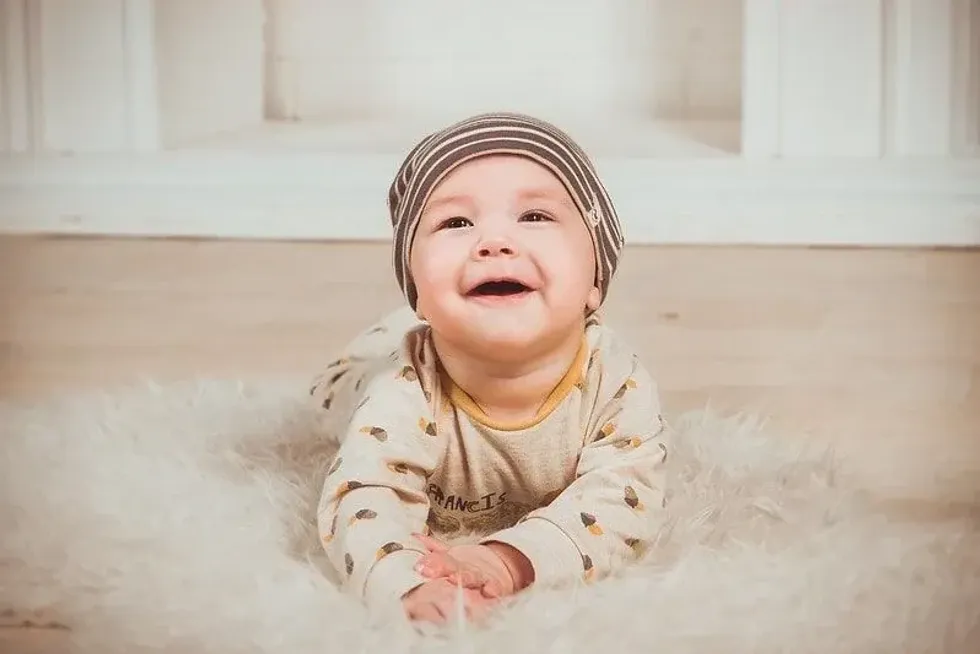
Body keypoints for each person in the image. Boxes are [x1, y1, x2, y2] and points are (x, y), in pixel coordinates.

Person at [310, 111, 671, 626]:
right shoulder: (403, 387)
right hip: (361, 377)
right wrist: (403, 582)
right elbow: (365, 495)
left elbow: (624, 500)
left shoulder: (616, 380)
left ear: (596, 278)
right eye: (456, 223)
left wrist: (509, 558)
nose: (495, 242)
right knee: (353, 382)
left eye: (535, 217)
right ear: (417, 291)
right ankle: (392, 333)